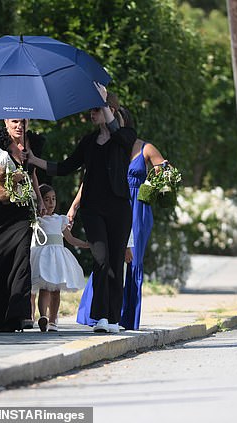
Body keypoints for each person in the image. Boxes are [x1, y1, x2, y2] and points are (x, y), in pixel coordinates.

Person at [27, 83, 136, 334]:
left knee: (115, 261)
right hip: (93, 209)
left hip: (119, 208)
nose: (91, 113)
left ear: (109, 109)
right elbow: (66, 166)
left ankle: (113, 318)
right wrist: (35, 160)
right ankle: (100, 317)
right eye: (91, 109)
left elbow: (117, 133)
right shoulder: (88, 141)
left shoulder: (125, 136)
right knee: (101, 258)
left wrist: (105, 100)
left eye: (96, 108)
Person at [72, 103, 167, 330]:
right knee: (105, 259)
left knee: (129, 262)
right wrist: (74, 207)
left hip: (137, 208)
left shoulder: (145, 148)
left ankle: (124, 317)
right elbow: (90, 179)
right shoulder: (107, 147)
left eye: (117, 119)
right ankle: (98, 314)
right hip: (111, 204)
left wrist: (153, 187)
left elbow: (164, 173)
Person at [0, 119, 45, 333]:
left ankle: (16, 317)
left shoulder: (32, 143)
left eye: (23, 122)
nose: (19, 126)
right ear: (6, 122)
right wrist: (9, 177)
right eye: (15, 121)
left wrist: (39, 199)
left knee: (21, 261)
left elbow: (32, 174)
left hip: (22, 213)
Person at [31, 184, 89, 332]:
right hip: (43, 257)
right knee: (44, 288)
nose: (51, 203)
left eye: (53, 199)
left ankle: (53, 320)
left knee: (56, 291)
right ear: (40, 201)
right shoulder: (37, 220)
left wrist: (85, 244)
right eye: (46, 199)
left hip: (57, 259)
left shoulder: (60, 219)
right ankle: (43, 317)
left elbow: (70, 239)